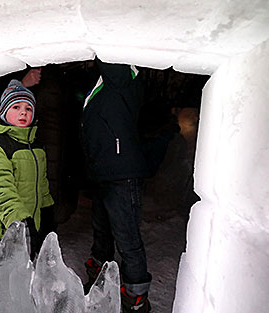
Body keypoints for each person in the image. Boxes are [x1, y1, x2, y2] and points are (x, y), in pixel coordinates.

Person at [81, 57, 152, 313]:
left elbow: (107, 56)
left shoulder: (126, 75)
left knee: (127, 238)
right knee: (102, 232)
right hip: (103, 172)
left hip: (123, 173)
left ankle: (136, 299)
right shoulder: (102, 83)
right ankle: (100, 280)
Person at [0, 79, 54, 260]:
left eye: (28, 108)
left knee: (28, 271)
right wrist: (19, 220)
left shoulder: (36, 147)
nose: (23, 112)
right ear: (4, 112)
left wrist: (47, 211)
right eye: (16, 107)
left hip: (31, 223)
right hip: (7, 226)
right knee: (9, 279)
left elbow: (41, 184)